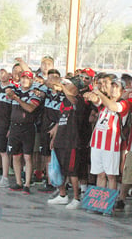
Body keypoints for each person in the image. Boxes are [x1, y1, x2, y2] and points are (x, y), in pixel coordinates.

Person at [84, 78, 130, 190]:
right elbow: (96, 101)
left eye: (117, 87)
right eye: (112, 86)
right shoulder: (104, 101)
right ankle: (100, 201)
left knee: (111, 175)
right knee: (100, 174)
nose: (114, 89)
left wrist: (99, 92)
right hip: (96, 143)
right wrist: (92, 94)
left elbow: (112, 106)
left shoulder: (124, 104)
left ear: (122, 91)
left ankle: (110, 202)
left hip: (111, 145)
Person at [47, 77, 82, 209]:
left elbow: (73, 99)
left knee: (72, 171)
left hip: (71, 141)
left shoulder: (78, 100)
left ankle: (76, 198)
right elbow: (60, 121)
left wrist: (63, 87)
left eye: (69, 85)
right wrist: (54, 138)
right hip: (60, 140)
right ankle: (62, 195)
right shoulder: (64, 102)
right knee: (59, 170)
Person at [7, 70, 41, 195]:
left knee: (27, 156)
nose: (24, 80)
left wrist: (17, 99)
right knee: (15, 156)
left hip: (28, 127)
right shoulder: (15, 91)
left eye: (27, 78)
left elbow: (30, 108)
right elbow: (8, 93)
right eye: (23, 78)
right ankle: (18, 182)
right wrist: (12, 94)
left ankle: (27, 183)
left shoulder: (34, 94)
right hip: (15, 127)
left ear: (31, 80)